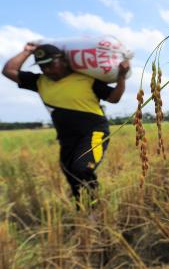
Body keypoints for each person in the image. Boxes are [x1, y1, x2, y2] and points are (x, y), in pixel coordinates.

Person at [2, 42, 130, 209]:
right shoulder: (39, 82)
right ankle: (83, 210)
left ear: (63, 60)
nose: (46, 70)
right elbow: (8, 71)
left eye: (50, 65)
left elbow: (113, 98)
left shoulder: (86, 79)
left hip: (93, 133)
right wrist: (27, 51)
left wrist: (121, 76)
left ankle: (96, 210)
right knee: (70, 173)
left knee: (81, 168)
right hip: (67, 139)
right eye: (42, 66)